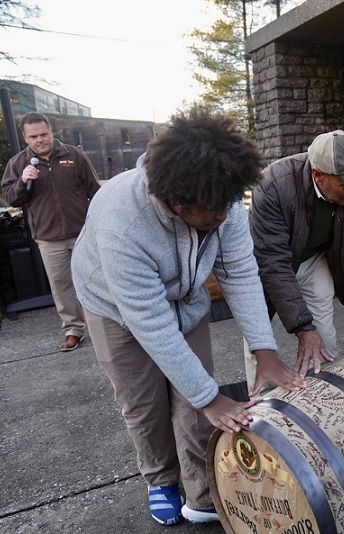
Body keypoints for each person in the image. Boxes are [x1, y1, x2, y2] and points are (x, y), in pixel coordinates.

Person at [71, 107, 307, 526]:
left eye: (228, 206)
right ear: (178, 202)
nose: (224, 217)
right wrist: (211, 398)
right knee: (144, 402)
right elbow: (150, 323)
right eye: (213, 212)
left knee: (194, 400)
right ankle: (161, 479)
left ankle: (202, 491)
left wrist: (264, 348)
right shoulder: (122, 221)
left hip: (185, 297)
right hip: (113, 307)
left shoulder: (220, 197)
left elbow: (240, 272)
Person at [245, 129, 344, 392]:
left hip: (313, 259)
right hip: (265, 266)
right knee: (259, 342)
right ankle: (262, 405)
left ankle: (326, 397)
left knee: (323, 336)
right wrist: (303, 328)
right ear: (318, 175)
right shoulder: (273, 186)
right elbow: (274, 264)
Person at [1, 112, 100, 351]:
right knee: (61, 287)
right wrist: (22, 181)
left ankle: (104, 327)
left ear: (51, 132)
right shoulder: (18, 163)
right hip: (48, 238)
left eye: (43, 134)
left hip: (82, 234)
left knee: (95, 281)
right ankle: (73, 330)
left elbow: (95, 191)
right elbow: (11, 198)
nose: (40, 140)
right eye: (34, 136)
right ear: (26, 138)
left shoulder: (74, 155)